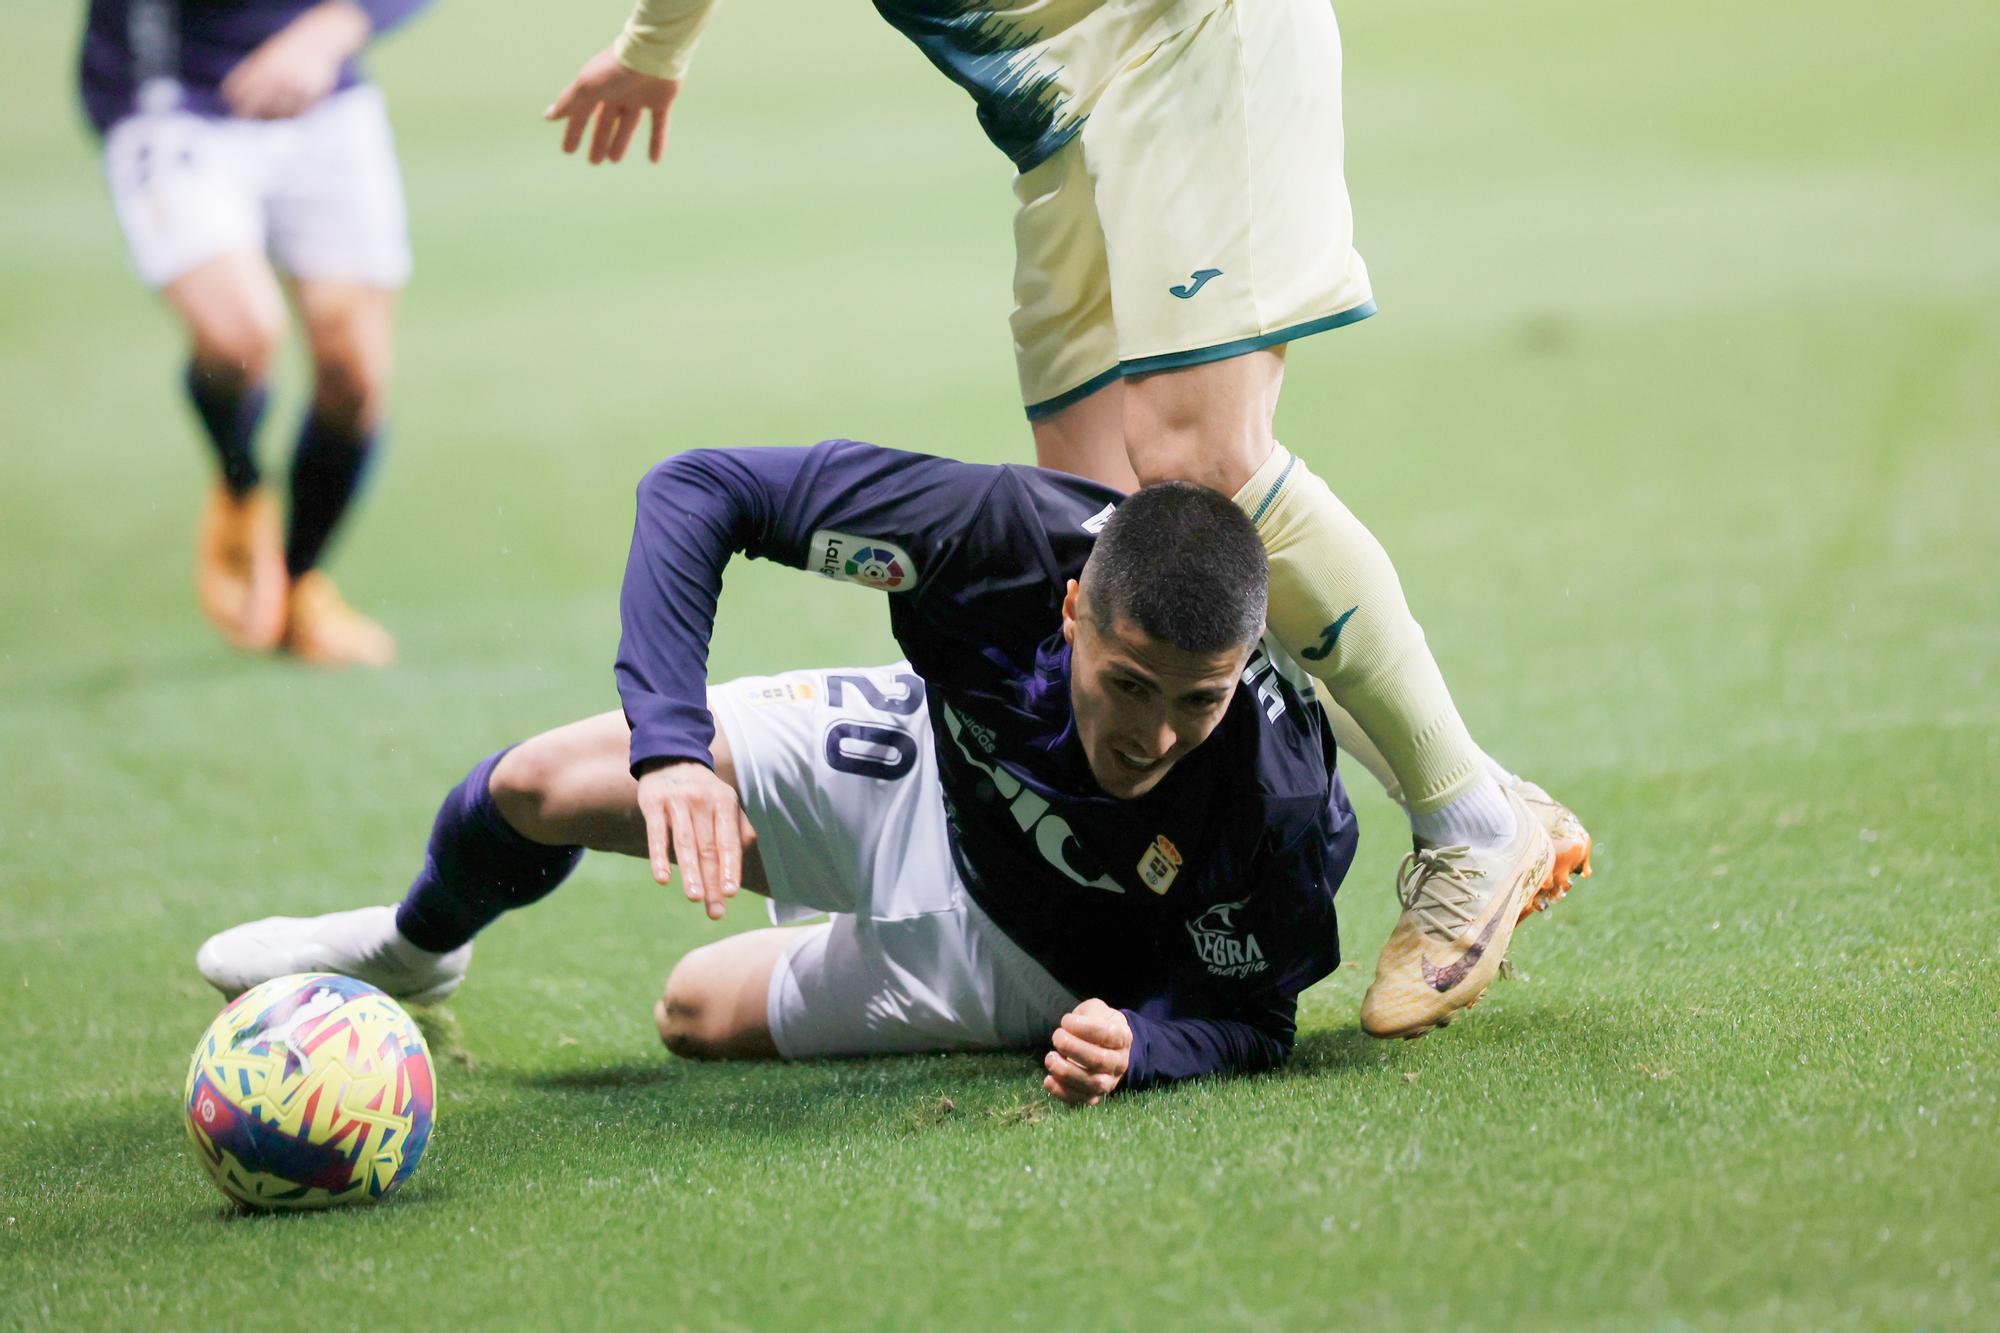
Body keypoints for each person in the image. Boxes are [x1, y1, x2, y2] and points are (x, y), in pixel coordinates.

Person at [540, 0, 1592, 1037]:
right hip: (1053, 104)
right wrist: (654, 48)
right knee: (1105, 534)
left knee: (1198, 463)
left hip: (1183, 36)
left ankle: (1464, 819)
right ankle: (1445, 799)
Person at [199, 440, 1561, 1101]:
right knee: (543, 786)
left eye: (1194, 706)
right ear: (1075, 606)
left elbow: (1254, 1016)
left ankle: (863, 945)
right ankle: (412, 947)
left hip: (1026, 951)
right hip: (927, 758)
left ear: (1247, 663)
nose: (1152, 735)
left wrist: (1146, 1043)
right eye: (1127, 686)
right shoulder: (993, 538)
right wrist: (670, 740)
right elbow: (699, 492)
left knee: (690, 1008)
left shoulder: (1274, 803)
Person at [79, 0, 430, 666]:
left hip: (323, 98)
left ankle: (296, 588)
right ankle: (239, 485)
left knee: (353, 375)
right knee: (242, 337)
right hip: (171, 94)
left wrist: (335, 27)